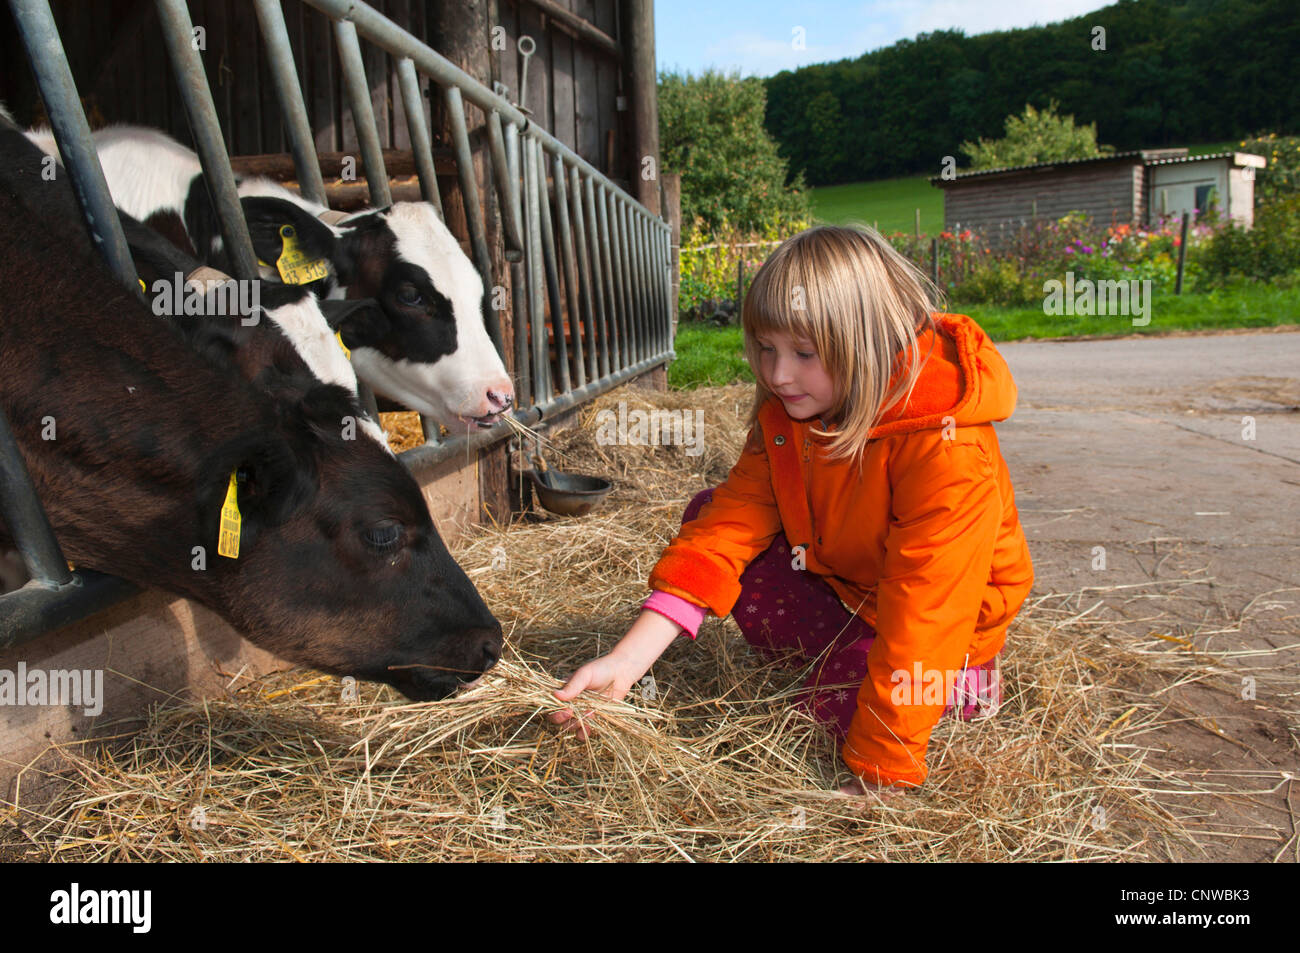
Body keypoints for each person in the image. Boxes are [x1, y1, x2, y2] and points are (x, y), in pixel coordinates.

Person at [549, 224, 1034, 793]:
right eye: (767, 349)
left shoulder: (947, 449)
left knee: (828, 718)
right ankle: (838, 657)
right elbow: (726, 529)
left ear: (868, 341)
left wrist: (881, 771)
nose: (778, 375)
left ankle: (964, 685)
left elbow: (930, 608)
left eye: (804, 353)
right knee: (707, 510)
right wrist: (625, 664)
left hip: (937, 630)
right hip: (854, 589)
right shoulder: (793, 416)